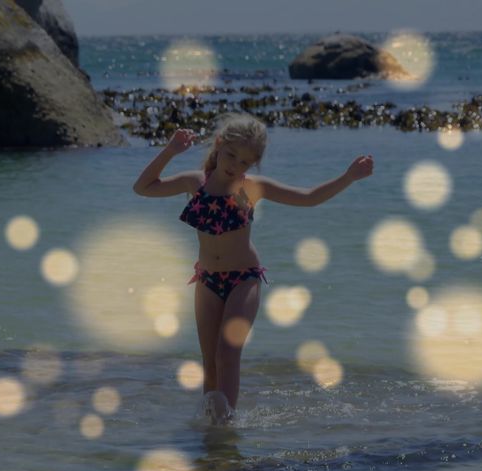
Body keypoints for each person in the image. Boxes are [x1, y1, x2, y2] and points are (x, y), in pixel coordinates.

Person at [132, 113, 374, 425]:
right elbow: (143, 187)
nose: (235, 165)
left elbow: (309, 198)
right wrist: (169, 152)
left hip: (243, 279)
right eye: (231, 155)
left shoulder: (251, 189)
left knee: (227, 355)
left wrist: (348, 177)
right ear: (219, 145)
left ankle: (227, 426)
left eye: (245, 162)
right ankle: (211, 434)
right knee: (210, 364)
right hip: (206, 281)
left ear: (253, 165)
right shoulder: (196, 183)